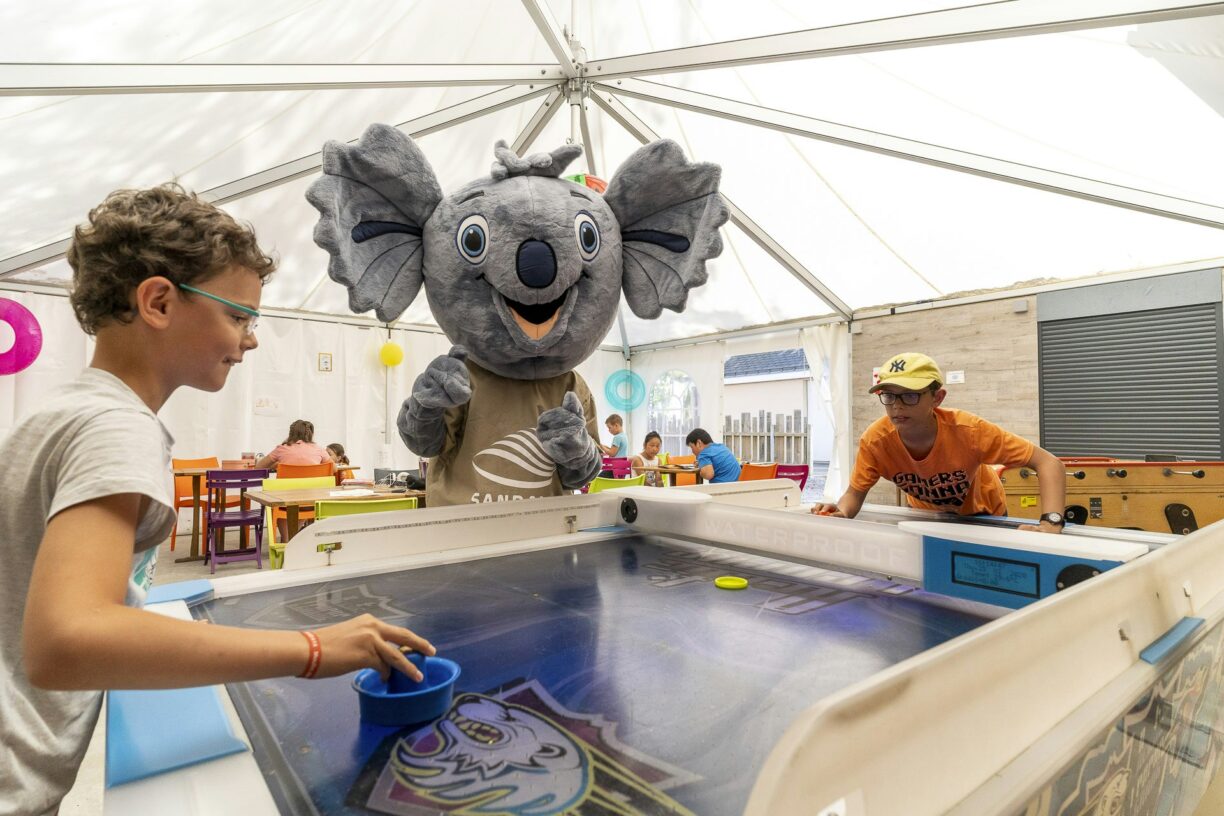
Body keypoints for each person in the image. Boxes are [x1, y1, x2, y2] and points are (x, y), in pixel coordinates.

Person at [0, 184, 435, 815]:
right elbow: (66, 639)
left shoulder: (68, 410)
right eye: (238, 317)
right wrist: (310, 649)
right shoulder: (115, 426)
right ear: (158, 302)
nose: (250, 340)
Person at [812, 352, 1066, 533]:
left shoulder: (970, 431)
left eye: (910, 395)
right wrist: (841, 512)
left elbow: (1049, 463)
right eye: (889, 396)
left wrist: (1051, 522)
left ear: (937, 398)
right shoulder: (875, 441)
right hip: (926, 516)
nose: (897, 406)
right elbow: (854, 494)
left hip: (984, 514)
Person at [256, 419, 330, 470]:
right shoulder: (319, 450)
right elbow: (333, 470)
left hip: (286, 488)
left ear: (290, 434)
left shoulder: (281, 449)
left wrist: (278, 464)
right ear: (311, 434)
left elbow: (258, 467)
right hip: (313, 487)